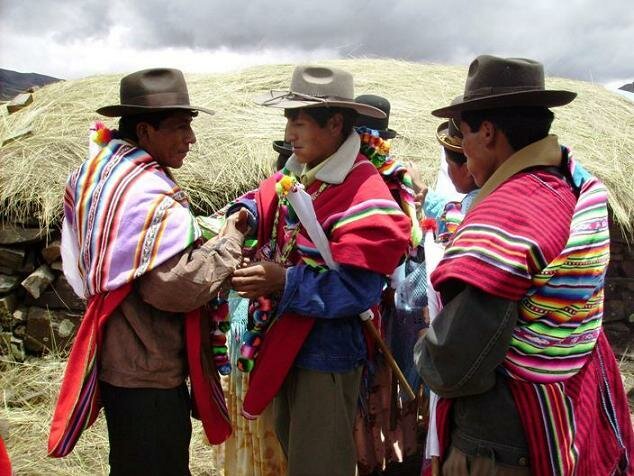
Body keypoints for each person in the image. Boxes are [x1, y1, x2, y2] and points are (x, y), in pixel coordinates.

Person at [415, 55, 634, 475]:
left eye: (464, 136)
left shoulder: (511, 214)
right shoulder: (564, 190)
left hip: (502, 442)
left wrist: (426, 344)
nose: (464, 151)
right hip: (567, 413)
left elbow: (456, 359)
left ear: (489, 132)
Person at [49, 68, 248, 475]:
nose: (190, 139)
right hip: (147, 368)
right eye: (179, 127)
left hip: (121, 358)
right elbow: (172, 288)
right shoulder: (144, 193)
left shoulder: (97, 176)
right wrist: (229, 241)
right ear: (144, 130)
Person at [230, 65, 411, 475]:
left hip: (325, 353)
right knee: (299, 449)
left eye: (299, 121)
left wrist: (283, 280)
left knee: (320, 462)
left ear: (334, 124)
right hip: (289, 340)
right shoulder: (302, 171)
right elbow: (264, 197)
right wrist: (239, 218)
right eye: (288, 120)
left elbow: (359, 290)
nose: (290, 133)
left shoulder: (362, 190)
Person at [351, 94, 424, 475]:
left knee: (384, 393)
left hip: (390, 308)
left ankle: (390, 458)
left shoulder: (394, 182)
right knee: (370, 398)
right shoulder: (348, 177)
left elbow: (407, 247)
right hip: (368, 307)